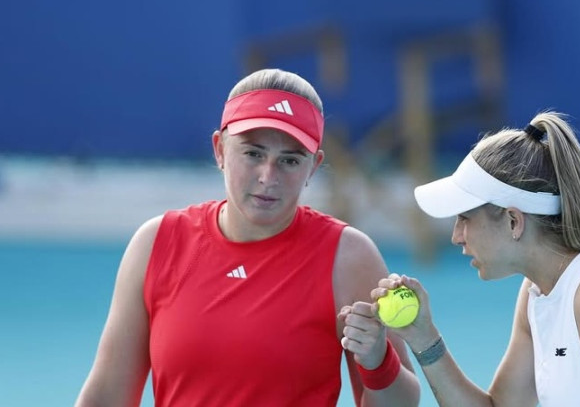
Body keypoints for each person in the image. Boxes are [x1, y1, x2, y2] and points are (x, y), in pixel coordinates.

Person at [75, 69, 421, 407]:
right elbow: (106, 396)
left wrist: (378, 362)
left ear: (313, 167)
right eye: (253, 153)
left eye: (289, 160)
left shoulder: (349, 257)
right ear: (220, 149)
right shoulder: (155, 244)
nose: (267, 177)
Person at [369, 111, 580, 406]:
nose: (456, 236)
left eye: (465, 218)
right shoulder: (537, 293)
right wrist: (423, 338)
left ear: (513, 220)